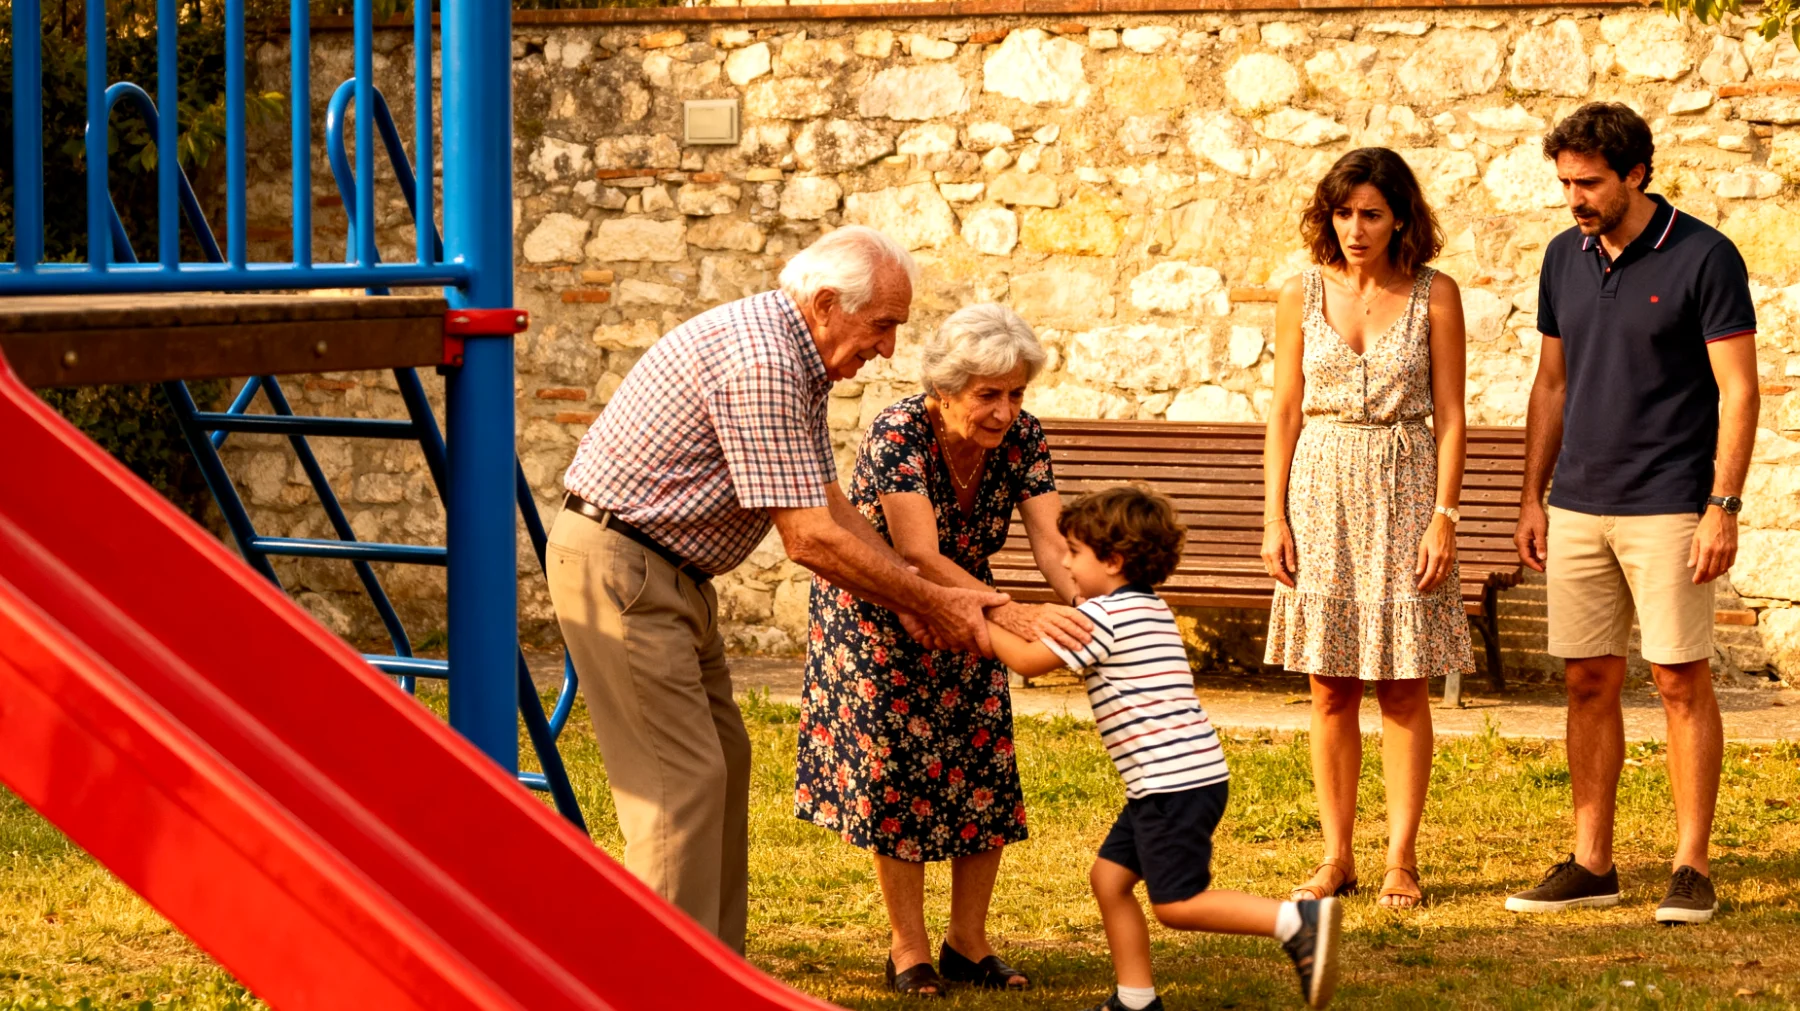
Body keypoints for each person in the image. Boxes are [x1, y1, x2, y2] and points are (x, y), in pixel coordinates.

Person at [546, 226, 1013, 953]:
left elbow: (827, 505)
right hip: (627, 567)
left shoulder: (796, 356)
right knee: (682, 785)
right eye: (883, 324)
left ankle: (712, 969)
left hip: (667, 574)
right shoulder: (766, 361)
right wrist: (931, 600)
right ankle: (663, 985)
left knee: (724, 762)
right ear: (827, 303)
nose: (889, 348)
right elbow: (809, 539)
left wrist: (914, 592)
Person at [794, 303, 1092, 996]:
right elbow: (919, 555)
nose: (1004, 411)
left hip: (971, 602)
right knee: (897, 771)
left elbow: (1052, 540)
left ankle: (968, 941)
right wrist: (1012, 610)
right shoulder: (900, 430)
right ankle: (908, 947)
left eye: (1016, 393)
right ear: (946, 388)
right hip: (882, 606)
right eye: (988, 394)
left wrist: (1088, 599)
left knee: (982, 760)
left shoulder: (1023, 438)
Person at [1507, 103, 1758, 925]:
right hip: (1578, 501)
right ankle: (1593, 860)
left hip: (1671, 502)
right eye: (1566, 183)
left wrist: (1722, 504)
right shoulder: (1562, 257)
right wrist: (1531, 497)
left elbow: (1738, 390)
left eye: (1589, 183)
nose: (1574, 198)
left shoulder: (1704, 255)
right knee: (1587, 680)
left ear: (1636, 175)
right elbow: (1552, 383)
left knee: (1680, 679)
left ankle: (1691, 864)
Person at [990, 486, 1343, 1011]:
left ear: (1111, 560)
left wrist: (979, 616)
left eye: (1073, 553)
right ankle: (1136, 999)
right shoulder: (1147, 608)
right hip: (1180, 779)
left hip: (1171, 785)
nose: (1064, 563)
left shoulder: (1104, 618)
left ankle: (1295, 922)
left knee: (1178, 905)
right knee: (1109, 881)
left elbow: (1025, 661)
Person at [1260, 147, 1472, 911]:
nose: (1356, 228)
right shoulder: (1298, 293)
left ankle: (1401, 859)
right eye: (1344, 212)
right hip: (1321, 487)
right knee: (1328, 686)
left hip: (1406, 484)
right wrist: (1272, 514)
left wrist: (1443, 517)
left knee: (1404, 684)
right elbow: (1285, 411)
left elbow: (1451, 415)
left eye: (1372, 214)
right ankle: (1336, 854)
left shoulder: (1434, 295)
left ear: (1400, 218)